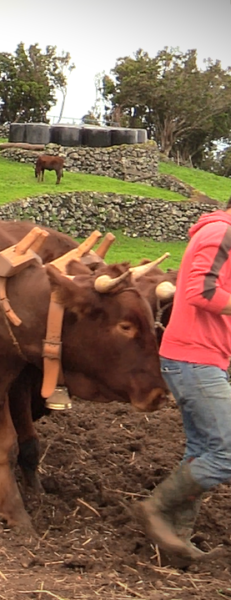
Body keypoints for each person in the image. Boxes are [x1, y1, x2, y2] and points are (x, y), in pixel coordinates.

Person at [134, 199, 231, 562]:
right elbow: (200, 292)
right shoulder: (222, 232)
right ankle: (156, 509)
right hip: (195, 358)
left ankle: (176, 541)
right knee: (225, 455)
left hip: (201, 358)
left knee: (204, 452)